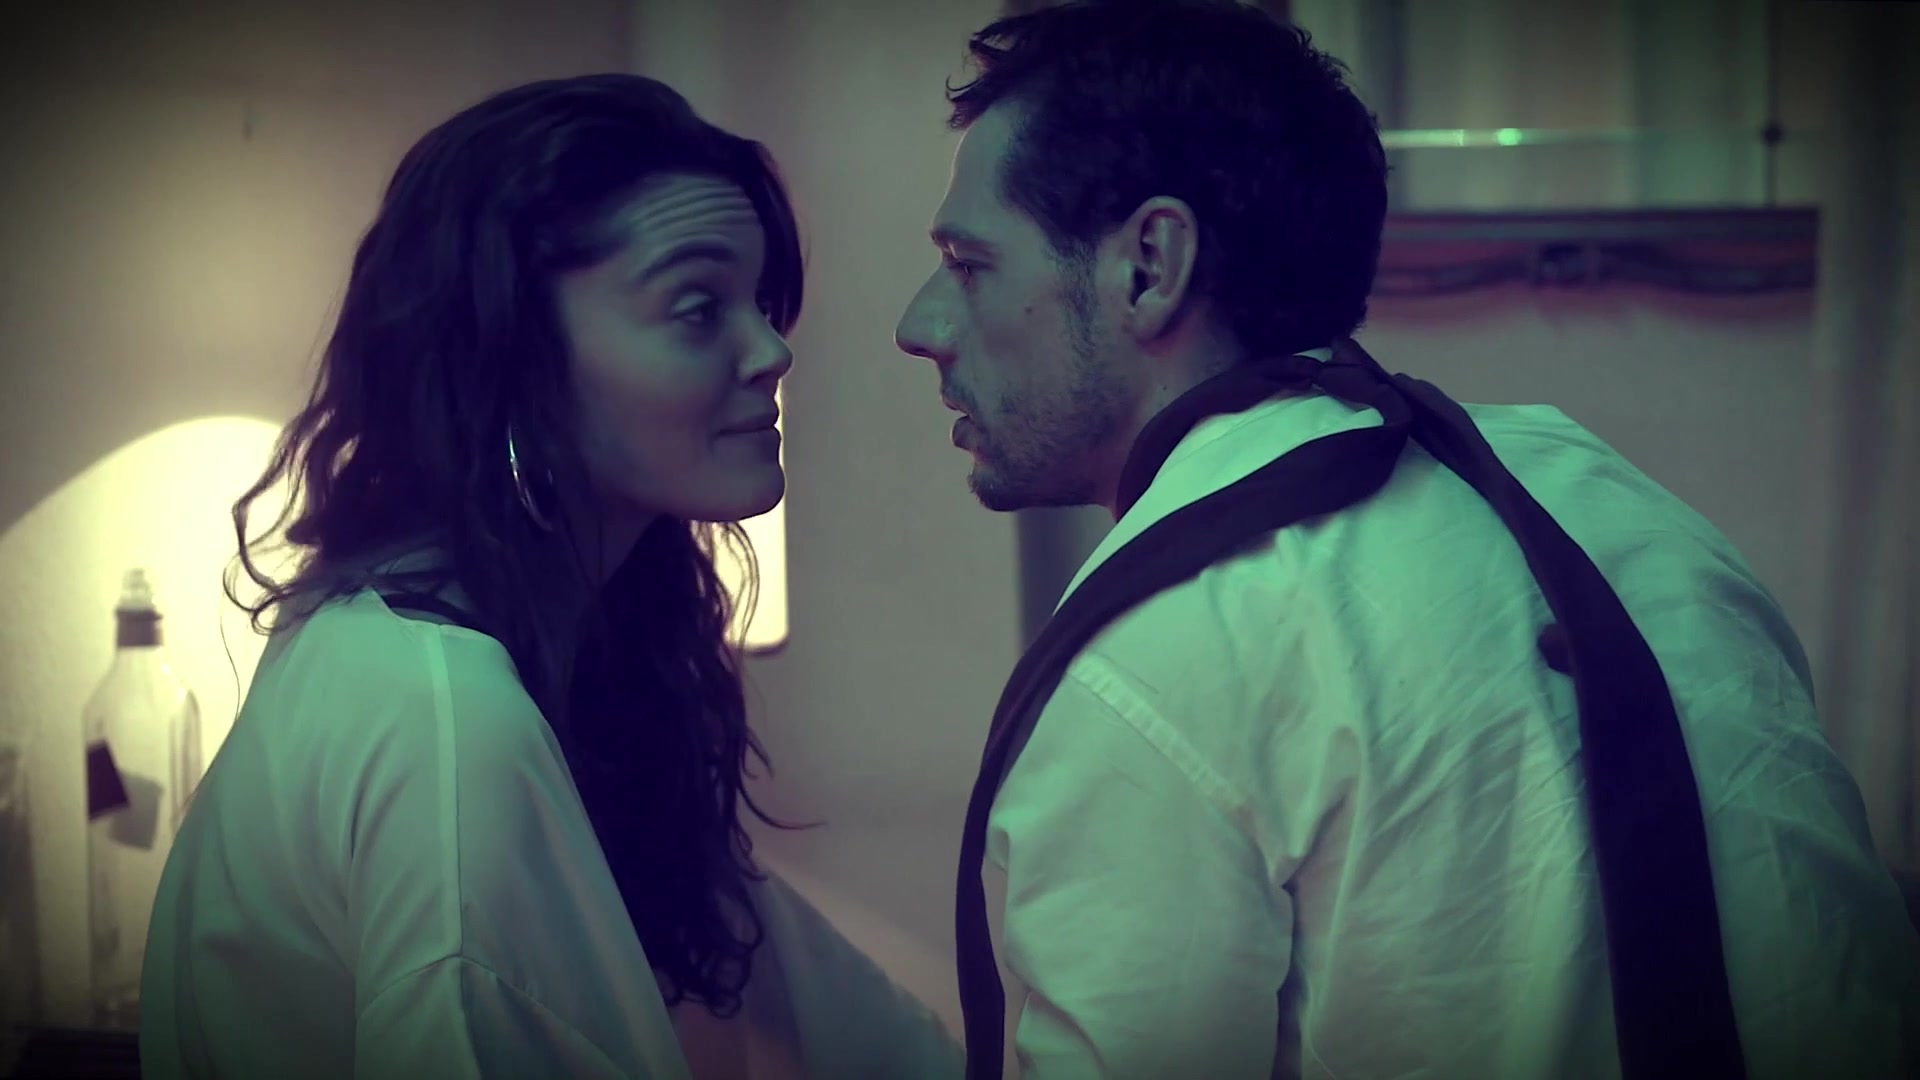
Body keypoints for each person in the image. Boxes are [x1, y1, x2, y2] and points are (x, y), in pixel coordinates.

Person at [892, 2, 1920, 1078]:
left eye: (968, 262)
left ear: (1149, 266)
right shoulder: (1615, 500)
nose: (920, 326)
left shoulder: (1152, 658)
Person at [140, 74, 961, 1079]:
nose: (771, 350)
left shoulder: (515, 657)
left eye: (761, 304)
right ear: (512, 356)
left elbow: (842, 1015)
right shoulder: (442, 716)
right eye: (699, 308)